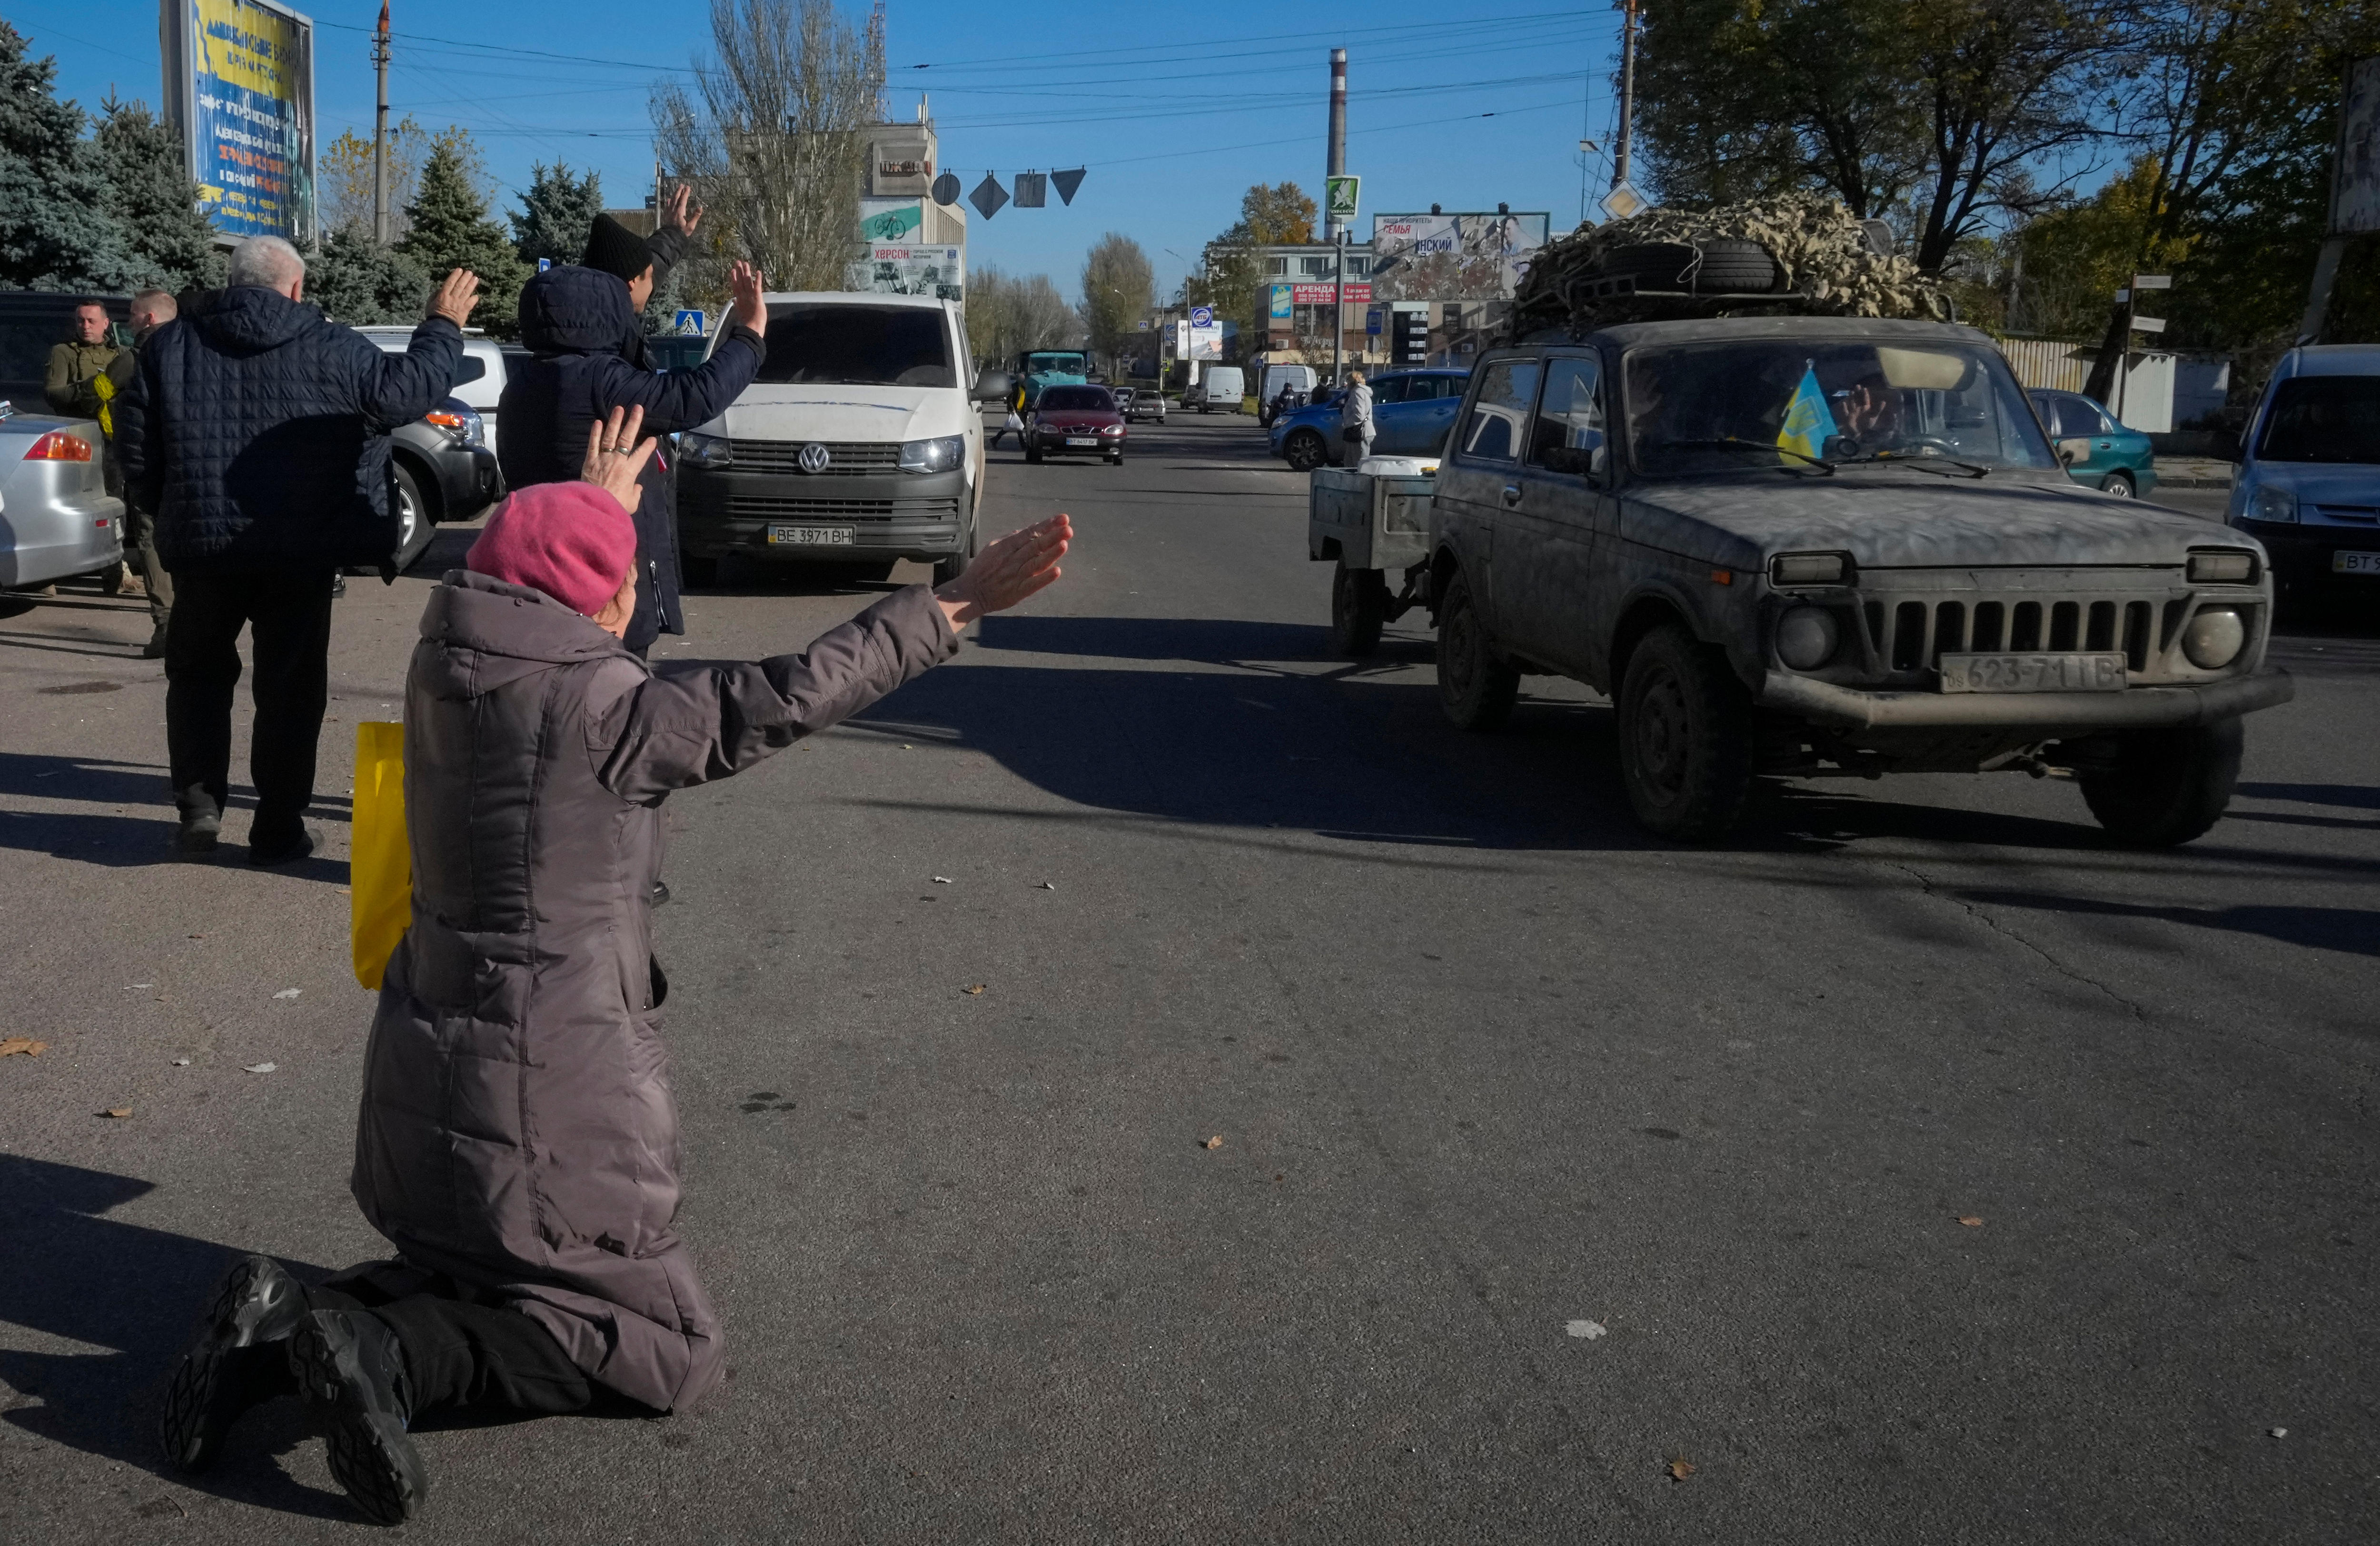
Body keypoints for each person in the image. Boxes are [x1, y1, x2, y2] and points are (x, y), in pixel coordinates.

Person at [155, 405, 1072, 1525]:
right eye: (626, 581)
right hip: (553, 1078)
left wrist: (592, 507)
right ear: (598, 601)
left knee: (492, 1271)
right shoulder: (610, 714)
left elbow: (564, 641)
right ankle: (384, 1356)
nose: (636, 602)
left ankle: (279, 1331)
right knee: (660, 1345)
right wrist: (950, 605)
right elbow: (776, 695)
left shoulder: (452, 656)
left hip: (426, 1055)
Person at [116, 236, 480, 864]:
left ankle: (199, 813)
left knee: (197, 680)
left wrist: (170, 507)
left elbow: (139, 451)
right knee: (289, 689)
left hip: (203, 549)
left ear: (233, 281)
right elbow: (402, 394)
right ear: (295, 288)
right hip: (301, 550)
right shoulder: (332, 345)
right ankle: (278, 827)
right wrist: (443, 324)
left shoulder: (168, 346)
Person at [500, 239, 767, 660]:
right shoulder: (600, 379)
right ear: (606, 314)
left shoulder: (524, 381)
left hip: (540, 569)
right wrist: (750, 335)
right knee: (612, 699)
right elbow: (694, 396)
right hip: (600, 575)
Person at [107, 289, 180, 656]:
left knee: (151, 539)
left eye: (134, 315)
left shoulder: (134, 357)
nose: (129, 321)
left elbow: (99, 393)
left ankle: (168, 626)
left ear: (149, 319)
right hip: (189, 463)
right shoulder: (194, 348)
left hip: (150, 461)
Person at [43, 300, 117, 419]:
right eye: (81, 321)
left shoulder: (120, 353)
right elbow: (52, 394)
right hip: (78, 423)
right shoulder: (64, 352)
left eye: (91, 321)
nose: (86, 327)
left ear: (106, 323)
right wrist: (87, 389)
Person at [1340, 368, 1375, 465]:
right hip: (1363, 431)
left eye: (1348, 381)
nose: (1346, 384)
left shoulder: (1357, 393)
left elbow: (1359, 415)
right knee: (1353, 462)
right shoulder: (1360, 392)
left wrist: (1347, 423)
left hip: (1360, 432)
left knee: (1357, 464)